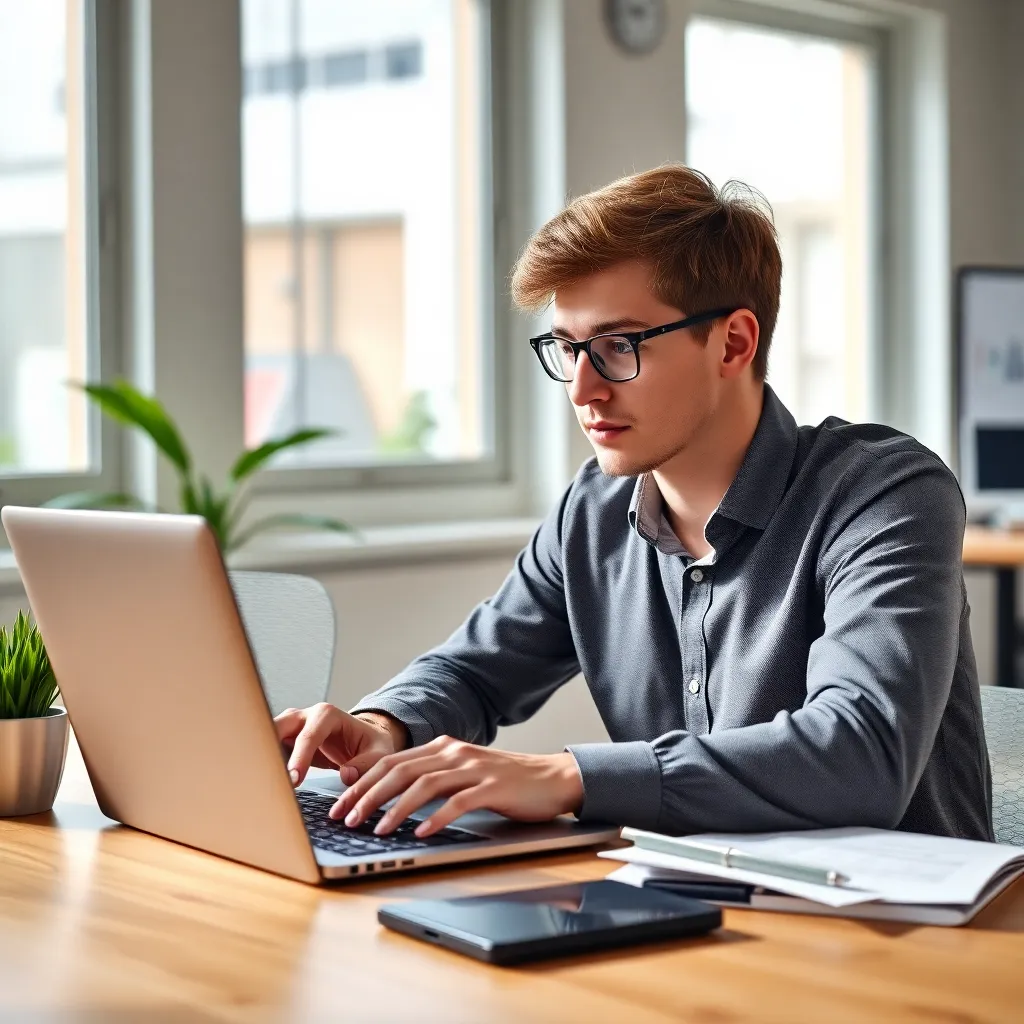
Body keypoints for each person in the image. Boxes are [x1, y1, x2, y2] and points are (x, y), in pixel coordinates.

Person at [275, 165, 993, 843]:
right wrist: (385, 726)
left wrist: (567, 776)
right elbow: (473, 670)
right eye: (567, 348)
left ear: (733, 343)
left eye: (619, 345)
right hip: (690, 905)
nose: (582, 389)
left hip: (892, 921)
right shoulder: (593, 510)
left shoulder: (884, 492)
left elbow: (861, 755)